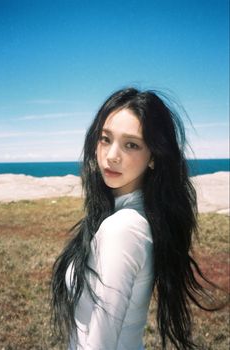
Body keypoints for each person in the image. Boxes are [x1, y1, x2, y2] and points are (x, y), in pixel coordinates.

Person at [51, 87, 218, 349]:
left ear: (153, 156)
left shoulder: (123, 229)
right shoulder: (130, 217)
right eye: (106, 139)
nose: (111, 155)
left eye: (131, 144)